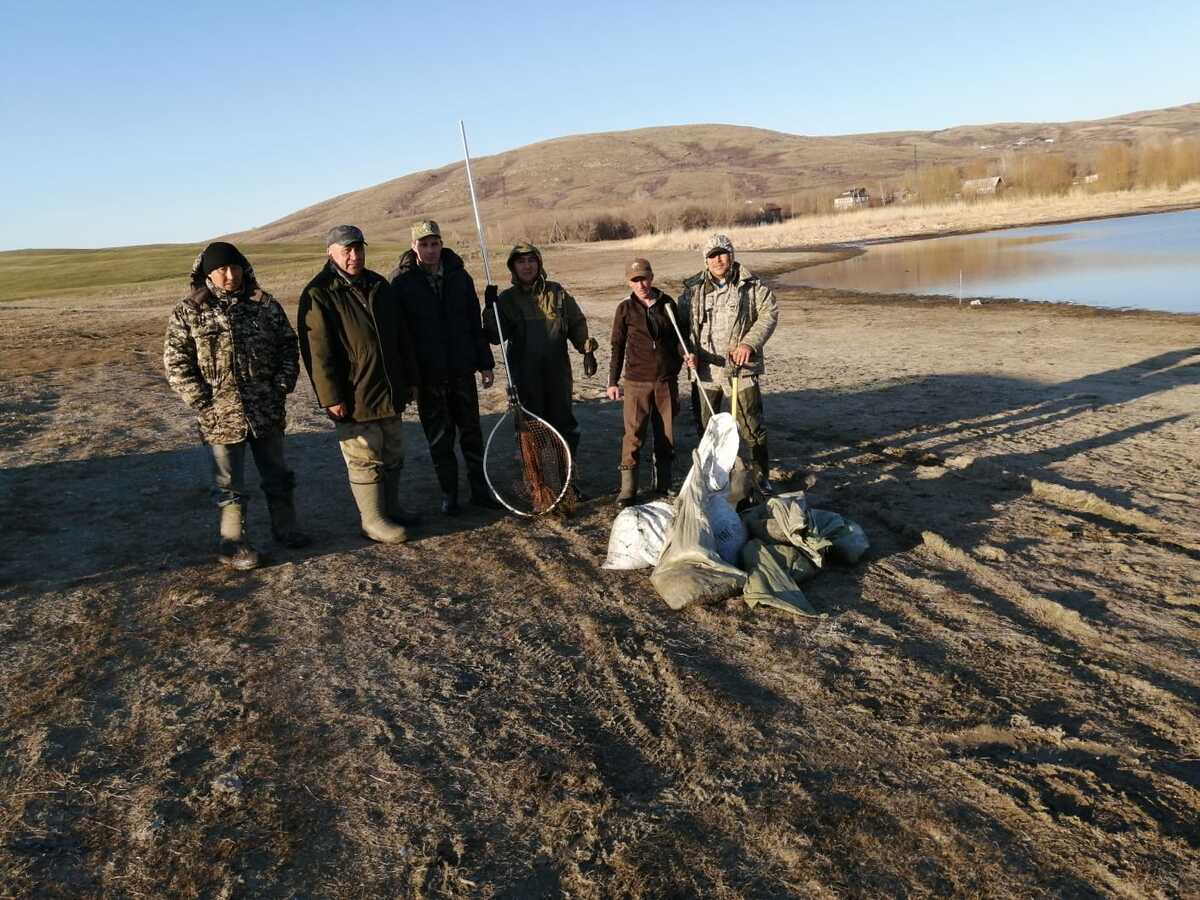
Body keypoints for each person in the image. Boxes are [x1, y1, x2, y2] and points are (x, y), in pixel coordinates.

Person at [164, 241, 309, 570]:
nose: (230, 275)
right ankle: (233, 544)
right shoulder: (189, 311)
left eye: (235, 267)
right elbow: (176, 365)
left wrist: (281, 386)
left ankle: (286, 528)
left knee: (277, 474)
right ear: (208, 275)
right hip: (220, 416)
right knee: (228, 484)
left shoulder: (264, 304)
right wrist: (204, 403)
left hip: (265, 410)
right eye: (221, 270)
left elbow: (288, 346)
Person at [297, 225, 420, 543]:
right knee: (364, 457)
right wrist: (330, 397)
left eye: (358, 249)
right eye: (346, 250)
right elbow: (317, 352)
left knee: (393, 451)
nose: (354, 256)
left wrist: (409, 379)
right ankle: (373, 520)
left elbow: (401, 337)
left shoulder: (379, 284)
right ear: (331, 252)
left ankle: (392, 509)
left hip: (388, 387)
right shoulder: (319, 293)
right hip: (353, 393)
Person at [389, 220, 500, 515]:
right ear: (414, 247)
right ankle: (449, 494)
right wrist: (409, 378)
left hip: (462, 369)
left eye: (434, 243)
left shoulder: (459, 276)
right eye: (423, 244)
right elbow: (400, 336)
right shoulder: (401, 282)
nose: (430, 250)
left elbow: (473, 322)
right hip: (428, 376)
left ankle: (480, 490)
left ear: (441, 244)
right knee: (439, 438)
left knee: (472, 434)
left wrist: (485, 363)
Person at [484, 242, 598, 494]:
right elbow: (494, 336)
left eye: (531, 261)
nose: (527, 266)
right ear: (513, 267)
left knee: (563, 426)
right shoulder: (507, 300)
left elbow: (576, 322)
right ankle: (540, 485)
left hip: (557, 373)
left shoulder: (557, 293)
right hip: (525, 375)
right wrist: (490, 309)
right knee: (532, 430)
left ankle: (566, 481)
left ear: (539, 263)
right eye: (521, 262)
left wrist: (586, 348)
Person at [677, 233, 779, 491]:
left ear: (731, 255)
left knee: (751, 428)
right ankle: (712, 481)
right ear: (706, 260)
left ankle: (760, 479)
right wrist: (686, 351)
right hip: (705, 373)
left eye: (722, 253)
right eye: (712, 255)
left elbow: (769, 314)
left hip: (741, 371)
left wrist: (749, 344)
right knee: (707, 430)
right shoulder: (692, 291)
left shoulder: (752, 286)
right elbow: (680, 329)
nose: (718, 259)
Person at [606, 258, 686, 507]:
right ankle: (628, 490)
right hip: (636, 382)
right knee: (633, 436)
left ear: (652, 276)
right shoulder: (624, 309)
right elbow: (617, 347)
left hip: (665, 381)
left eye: (644, 277)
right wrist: (612, 381)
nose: (641, 284)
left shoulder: (668, 304)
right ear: (629, 282)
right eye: (635, 280)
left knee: (666, 434)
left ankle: (662, 484)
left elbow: (679, 340)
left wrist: (687, 355)